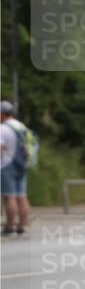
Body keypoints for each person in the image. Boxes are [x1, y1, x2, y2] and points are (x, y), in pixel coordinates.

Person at [1, 100, 30, 236]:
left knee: (9, 196)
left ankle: (9, 226)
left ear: (2, 114)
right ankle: (22, 226)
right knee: (21, 196)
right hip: (22, 164)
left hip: (7, 164)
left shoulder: (3, 128)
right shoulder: (22, 127)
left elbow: (1, 147)